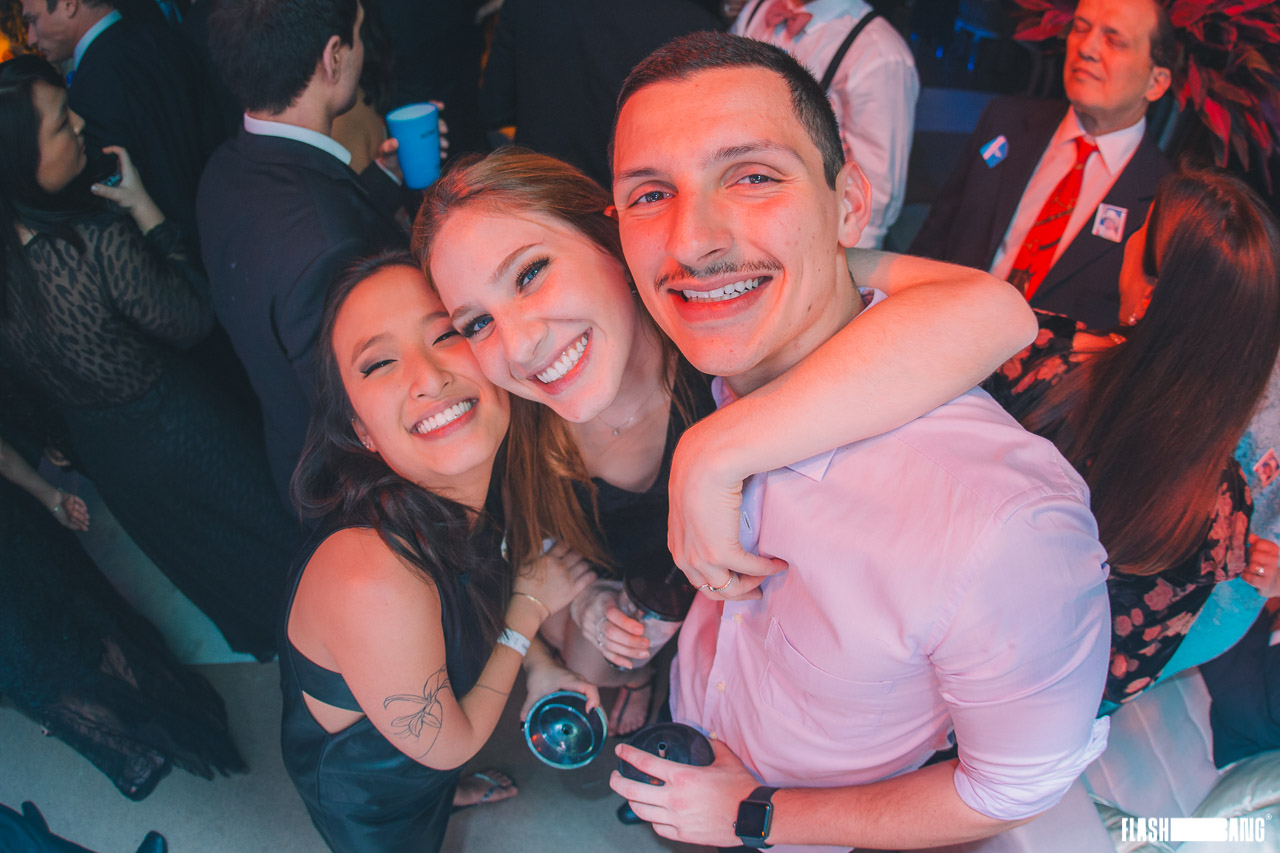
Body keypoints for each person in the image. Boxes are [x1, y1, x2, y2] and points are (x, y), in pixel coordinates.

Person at [605, 32, 1111, 850]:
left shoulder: (1000, 525)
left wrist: (755, 813)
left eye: (753, 176)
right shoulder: (720, 360)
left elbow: (1013, 786)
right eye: (650, 193)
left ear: (849, 203)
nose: (691, 242)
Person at [413, 147, 1040, 736]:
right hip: (664, 630)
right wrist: (584, 609)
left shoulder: (722, 319)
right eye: (478, 322)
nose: (520, 344)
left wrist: (716, 448)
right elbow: (533, 558)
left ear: (614, 240)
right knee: (594, 659)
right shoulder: (513, 428)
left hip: (792, 662)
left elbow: (997, 314)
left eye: (529, 274)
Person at [282, 252, 600, 852]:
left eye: (447, 334)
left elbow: (476, 604)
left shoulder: (471, 490)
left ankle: (448, 792)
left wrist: (539, 665)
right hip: (369, 795)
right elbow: (449, 744)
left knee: (437, 779)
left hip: (429, 757)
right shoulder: (374, 579)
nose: (427, 377)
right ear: (360, 430)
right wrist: (531, 608)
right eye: (380, 363)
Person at [0, 54, 299, 659]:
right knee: (277, 543)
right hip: (183, 433)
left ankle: (287, 653)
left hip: (110, 456)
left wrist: (56, 437)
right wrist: (145, 210)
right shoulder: (93, 243)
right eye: (60, 123)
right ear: (19, 158)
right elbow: (194, 317)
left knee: (209, 563)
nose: (80, 124)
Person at [987, 166, 1280, 708]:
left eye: (1143, 228)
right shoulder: (1219, 510)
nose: (1130, 236)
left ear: (1153, 293)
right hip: (1005, 715)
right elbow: (1105, 686)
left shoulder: (1034, 351)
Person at [0, 368, 246, 803]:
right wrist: (49, 497)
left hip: (16, 542)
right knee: (84, 618)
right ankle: (172, 715)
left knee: (40, 666)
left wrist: (50, 499)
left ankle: (135, 747)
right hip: (16, 538)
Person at [199, 0, 408, 503]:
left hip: (286, 447)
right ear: (333, 56)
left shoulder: (223, 171)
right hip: (362, 490)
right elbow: (360, 412)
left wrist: (378, 185)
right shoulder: (326, 246)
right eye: (358, 33)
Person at [910, 0, 1175, 329]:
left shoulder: (1162, 199)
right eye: (1080, 28)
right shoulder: (1005, 122)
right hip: (939, 331)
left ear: (1156, 82)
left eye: (1114, 40)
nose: (1087, 48)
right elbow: (932, 240)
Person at [19, 0, 225, 244]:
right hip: (221, 222)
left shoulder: (88, 91)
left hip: (170, 246)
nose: (31, 38)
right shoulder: (167, 38)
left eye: (33, 20)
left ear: (69, 5)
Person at [731, 0, 917, 249]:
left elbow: (875, 201)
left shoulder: (879, 54)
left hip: (808, 237)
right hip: (736, 210)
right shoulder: (759, 8)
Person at [480, 0, 722, 187]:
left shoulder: (527, 4)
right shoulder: (694, 21)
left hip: (543, 194)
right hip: (630, 203)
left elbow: (495, 107)